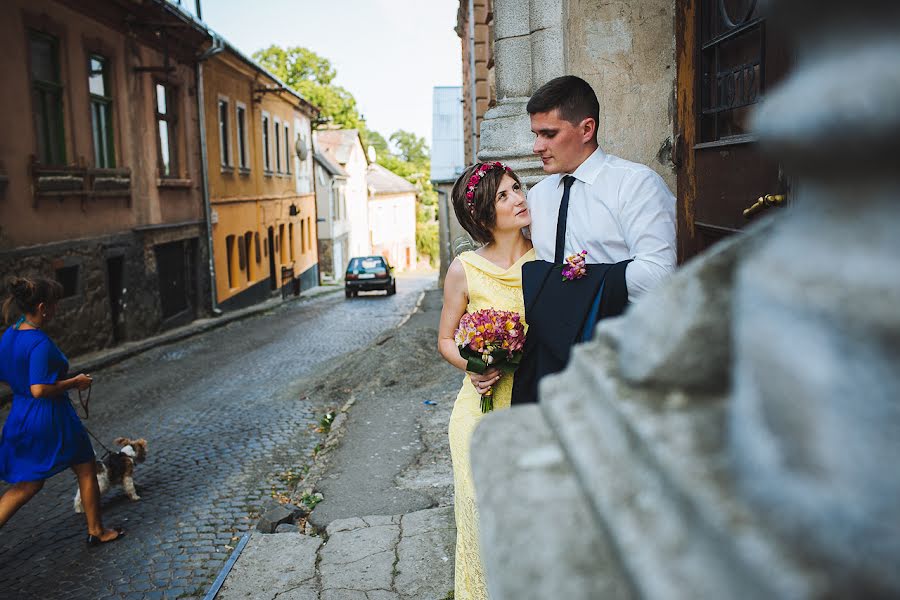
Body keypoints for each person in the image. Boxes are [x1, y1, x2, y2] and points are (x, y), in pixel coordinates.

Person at [511, 75, 677, 404]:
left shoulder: (635, 185)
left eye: (549, 134)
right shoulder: (538, 196)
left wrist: (581, 282)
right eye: (535, 135)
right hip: (548, 363)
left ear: (586, 130)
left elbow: (661, 275)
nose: (537, 147)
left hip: (618, 355)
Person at [438, 162, 534, 600]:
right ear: (481, 214)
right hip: (478, 415)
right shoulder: (464, 269)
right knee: (482, 523)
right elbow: (444, 339)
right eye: (504, 196)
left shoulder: (549, 257)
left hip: (532, 414)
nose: (518, 198)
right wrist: (473, 366)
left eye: (517, 188)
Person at [0, 276, 124, 545]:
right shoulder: (39, 343)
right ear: (43, 307)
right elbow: (39, 389)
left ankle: (96, 529)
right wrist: (75, 382)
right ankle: (97, 531)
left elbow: (10, 377)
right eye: (55, 304)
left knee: (27, 485)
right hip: (51, 417)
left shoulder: (10, 335)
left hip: (21, 415)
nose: (58, 310)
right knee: (86, 468)